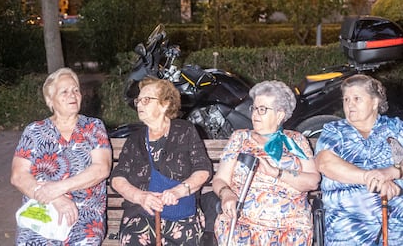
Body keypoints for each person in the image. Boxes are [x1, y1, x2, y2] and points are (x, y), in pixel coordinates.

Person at [10, 67, 112, 245]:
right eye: (64, 91)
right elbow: (18, 176)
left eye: (75, 90)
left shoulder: (93, 127)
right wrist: (55, 198)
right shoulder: (34, 131)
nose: (72, 95)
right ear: (50, 100)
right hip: (42, 209)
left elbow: (101, 169)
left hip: (84, 214)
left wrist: (59, 188)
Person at [212, 80, 320, 245]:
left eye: (262, 110)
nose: (255, 115)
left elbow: (313, 181)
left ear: (280, 115)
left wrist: (277, 173)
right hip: (243, 224)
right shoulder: (240, 138)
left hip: (290, 228)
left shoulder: (296, 140)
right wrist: (226, 194)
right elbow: (220, 179)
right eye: (254, 108)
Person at [110, 77, 213, 245]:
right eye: (138, 100)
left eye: (146, 100)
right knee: (134, 239)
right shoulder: (134, 140)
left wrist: (179, 191)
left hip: (182, 213)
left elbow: (203, 169)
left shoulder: (184, 130)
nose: (140, 105)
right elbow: (117, 178)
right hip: (142, 214)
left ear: (165, 104)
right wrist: (139, 196)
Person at [315, 74, 403, 245]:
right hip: (347, 229)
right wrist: (370, 178)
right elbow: (325, 162)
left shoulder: (395, 128)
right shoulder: (335, 131)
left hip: (395, 227)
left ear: (375, 102)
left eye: (357, 98)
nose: (349, 104)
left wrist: (390, 172)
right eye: (346, 99)